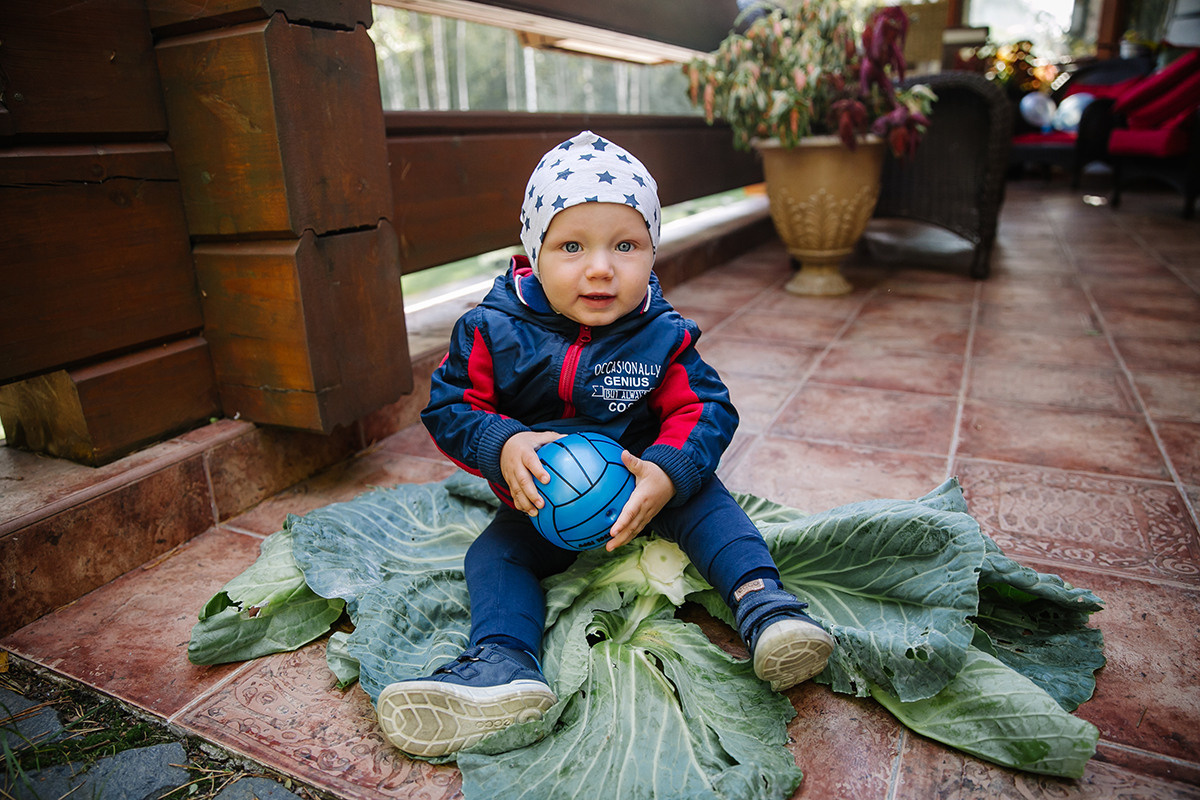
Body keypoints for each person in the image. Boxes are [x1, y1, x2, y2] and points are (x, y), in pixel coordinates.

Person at [376, 130, 834, 758]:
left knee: (711, 508)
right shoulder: (491, 329)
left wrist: (668, 473)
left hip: (643, 486)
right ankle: (504, 662)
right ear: (533, 253)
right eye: (571, 246)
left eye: (626, 244)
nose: (600, 267)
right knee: (492, 559)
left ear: (652, 252)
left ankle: (766, 606)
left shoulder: (660, 334)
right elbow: (450, 408)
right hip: (541, 503)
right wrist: (502, 445)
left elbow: (707, 407)